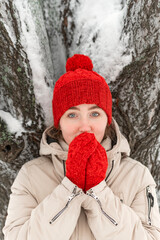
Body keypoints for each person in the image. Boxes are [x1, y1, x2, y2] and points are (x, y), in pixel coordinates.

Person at [3, 54, 160, 240]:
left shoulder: (137, 176)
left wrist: (98, 192)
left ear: (107, 120)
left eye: (95, 113)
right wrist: (70, 187)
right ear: (58, 123)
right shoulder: (30, 175)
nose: (85, 126)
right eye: (72, 115)